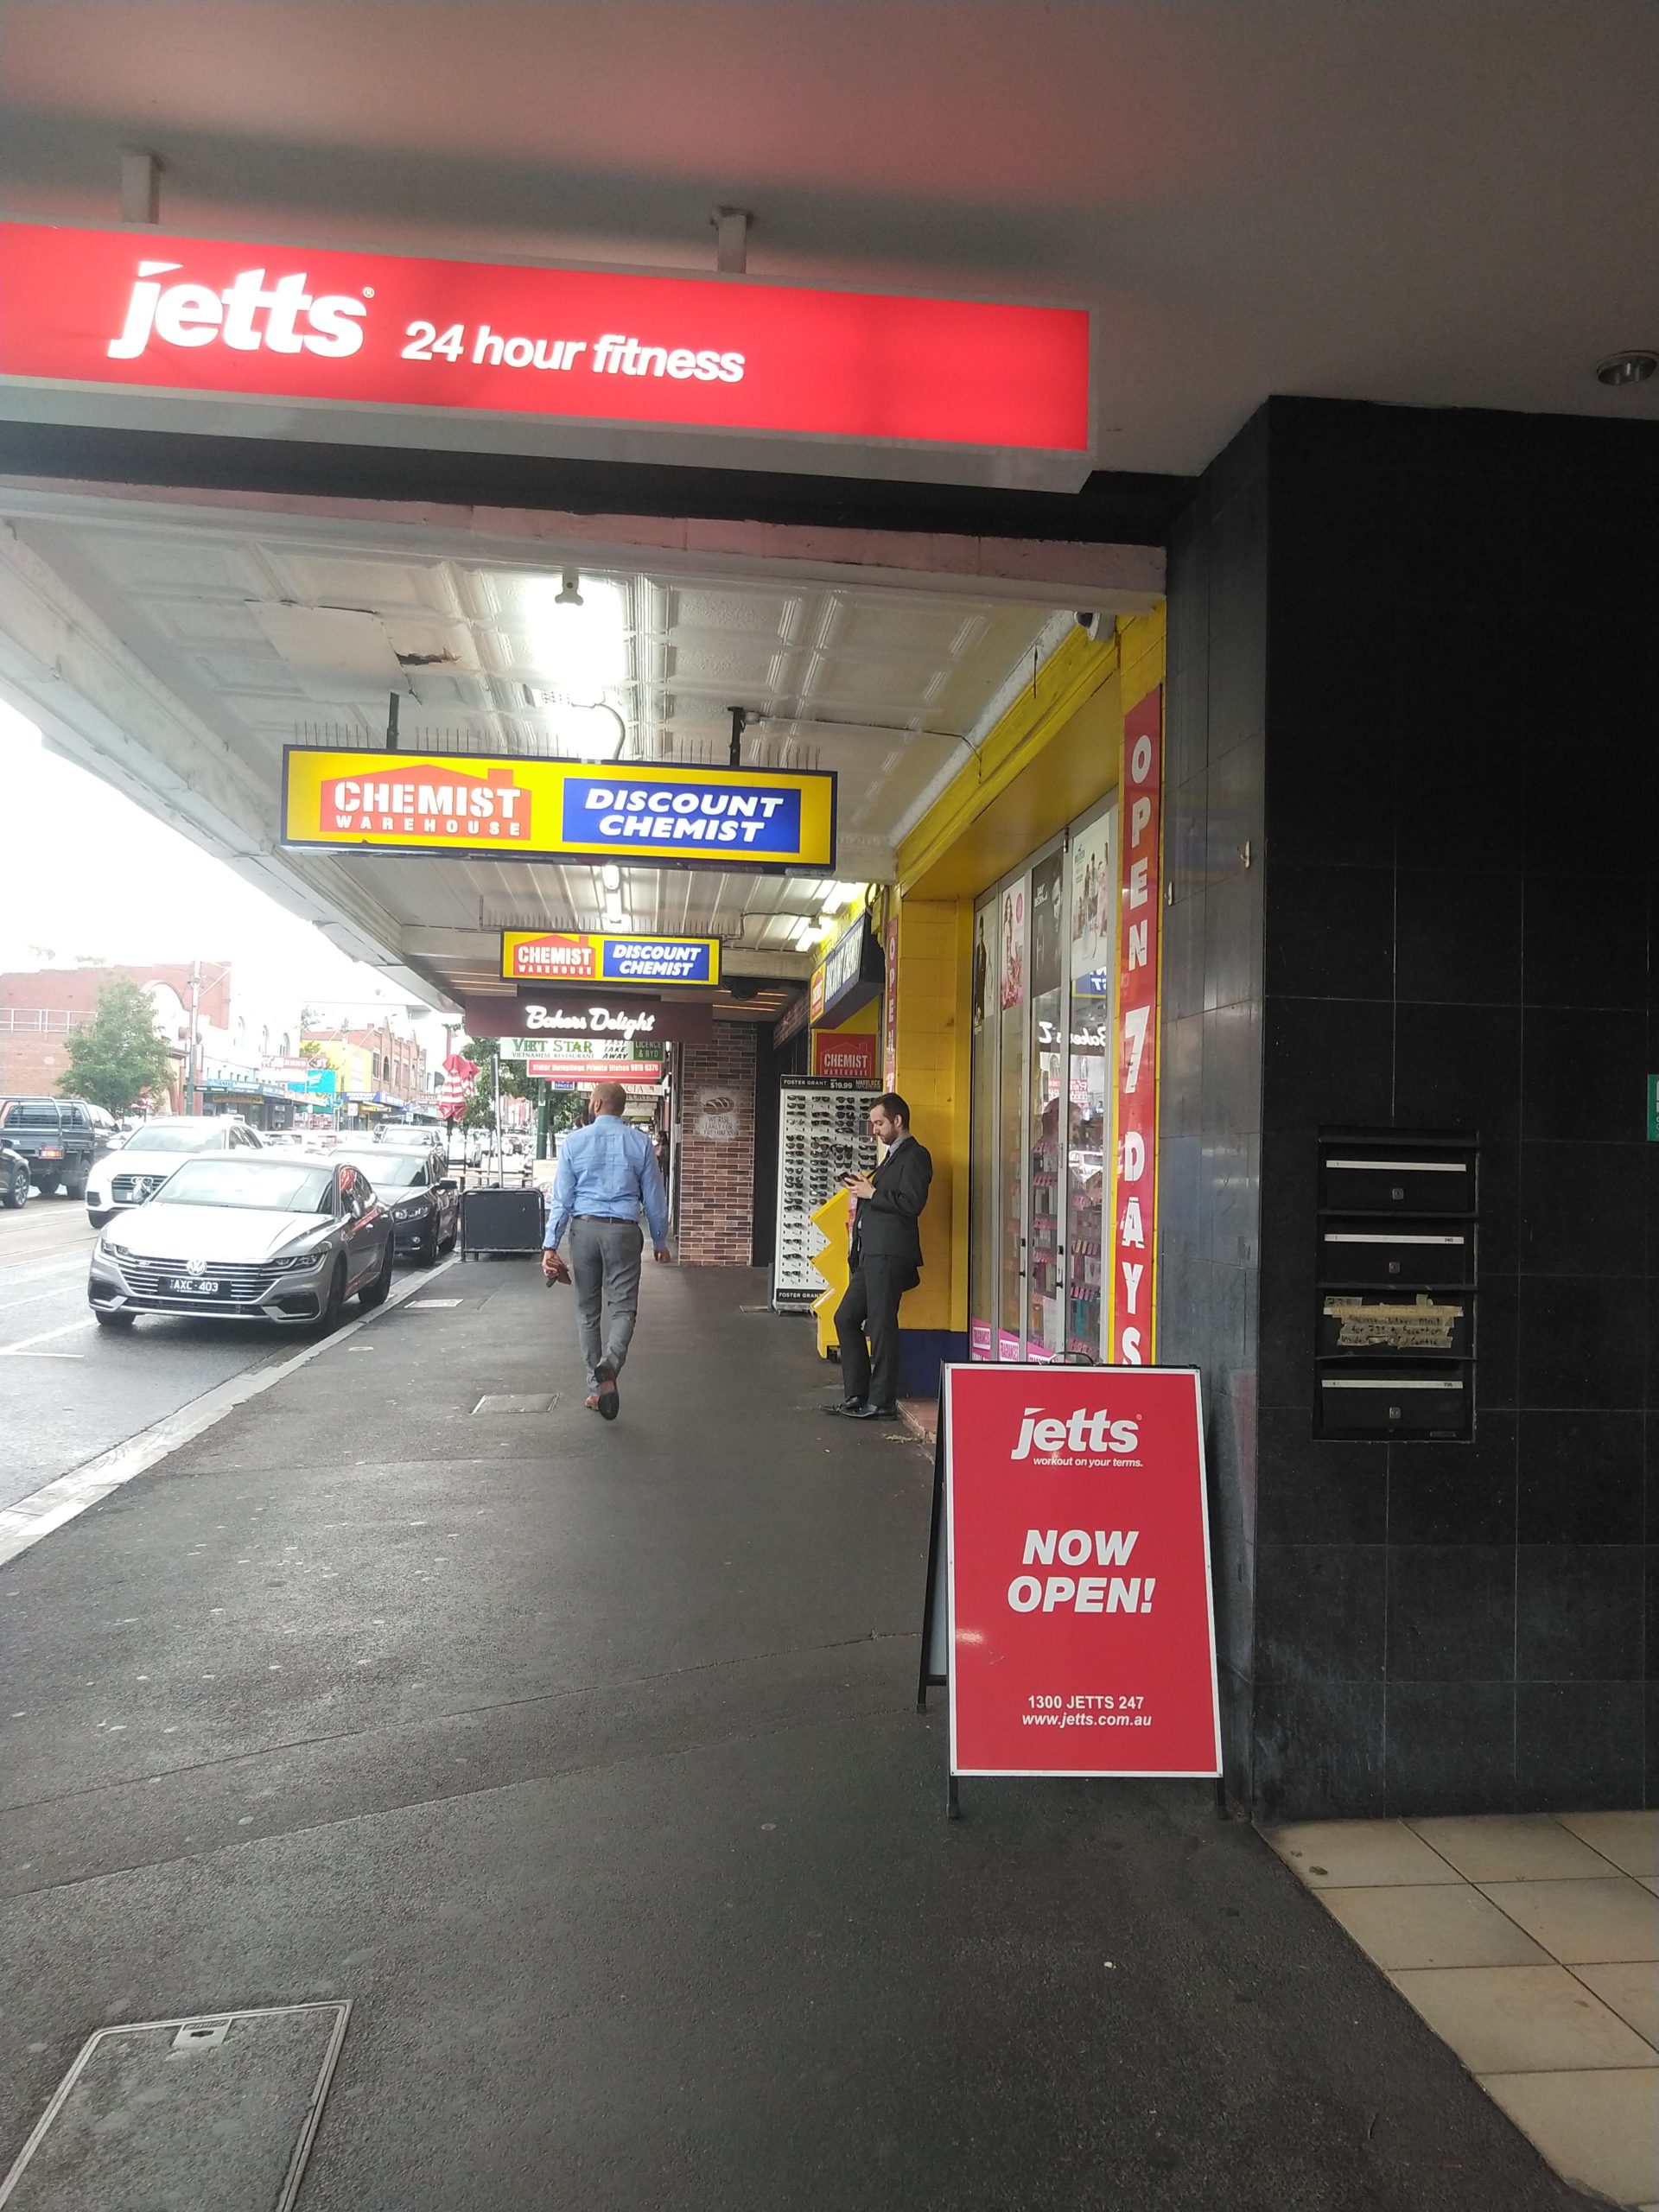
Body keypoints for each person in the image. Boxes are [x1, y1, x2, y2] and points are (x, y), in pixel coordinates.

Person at [542, 1081, 671, 1421]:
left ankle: (596, 1389)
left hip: (584, 1229)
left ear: (597, 1104)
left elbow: (562, 1199)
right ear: (622, 1108)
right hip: (624, 1232)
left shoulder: (574, 1142)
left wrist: (550, 1245)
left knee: (587, 1311)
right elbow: (654, 1198)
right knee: (624, 1308)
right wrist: (660, 1241)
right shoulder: (640, 1143)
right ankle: (610, 1364)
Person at [824, 1092, 932, 1422]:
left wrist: (872, 1193)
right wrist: (863, 1188)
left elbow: (912, 1203)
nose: (874, 1130)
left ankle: (881, 1401)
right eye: (873, 1123)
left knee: (883, 1325)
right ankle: (857, 1394)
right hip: (870, 1253)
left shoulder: (916, 1155)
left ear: (898, 1121)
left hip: (890, 1253)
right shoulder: (890, 1157)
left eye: (879, 1123)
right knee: (845, 1317)